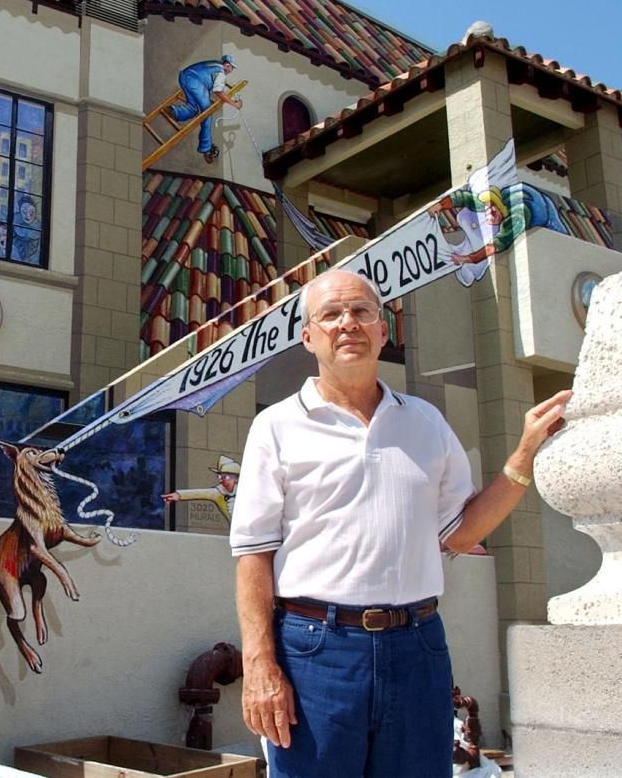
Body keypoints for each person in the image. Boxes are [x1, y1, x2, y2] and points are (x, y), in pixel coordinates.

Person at [230, 269, 569, 777]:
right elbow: (254, 553)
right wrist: (259, 664)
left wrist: (523, 455)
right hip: (315, 653)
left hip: (417, 648)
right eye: (330, 314)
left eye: (362, 311)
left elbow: (459, 532)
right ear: (308, 337)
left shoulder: (426, 421)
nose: (348, 323)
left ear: (383, 331)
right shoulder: (275, 426)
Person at [436, 182, 567, 266]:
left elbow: (498, 244)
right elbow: (464, 198)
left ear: (499, 208)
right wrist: (439, 205)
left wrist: (468, 259)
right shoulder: (490, 200)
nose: (489, 213)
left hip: (548, 216)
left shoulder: (517, 216)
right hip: (526, 195)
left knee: (563, 250)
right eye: (487, 211)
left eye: (493, 211)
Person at [169, 55, 243, 163]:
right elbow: (218, 91)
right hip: (195, 82)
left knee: (193, 108)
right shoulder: (221, 74)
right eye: (231, 68)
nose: (231, 71)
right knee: (207, 114)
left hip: (184, 76)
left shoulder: (214, 64)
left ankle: (175, 112)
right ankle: (206, 148)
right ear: (227, 65)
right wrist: (234, 104)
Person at [161, 454, 241, 522]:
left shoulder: (246, 492)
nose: (221, 480)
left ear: (236, 478)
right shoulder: (219, 493)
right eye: (220, 476)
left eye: (225, 477)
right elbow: (200, 493)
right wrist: (179, 495)